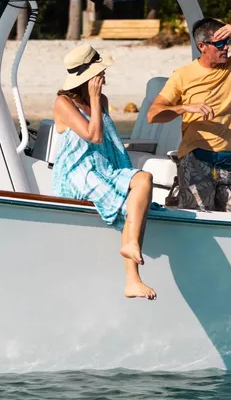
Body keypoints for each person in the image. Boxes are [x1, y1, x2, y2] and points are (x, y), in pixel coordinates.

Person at [52, 44, 156, 300]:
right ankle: (132, 275)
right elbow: (95, 136)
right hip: (78, 173)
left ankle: (131, 261)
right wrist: (95, 99)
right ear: (89, 77)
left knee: (144, 178)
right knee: (130, 200)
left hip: (105, 169)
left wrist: (97, 100)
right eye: (101, 71)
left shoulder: (102, 101)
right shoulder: (63, 103)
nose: (105, 76)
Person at [147, 18, 231, 212]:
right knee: (197, 220)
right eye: (219, 43)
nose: (225, 47)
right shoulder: (182, 75)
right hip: (196, 159)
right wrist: (185, 108)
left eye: (227, 42)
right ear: (202, 46)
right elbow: (153, 114)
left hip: (228, 162)